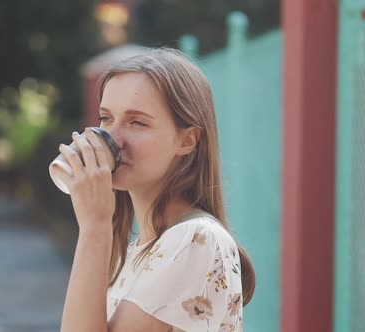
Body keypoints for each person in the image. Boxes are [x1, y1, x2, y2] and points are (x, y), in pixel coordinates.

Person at [52, 48, 255, 332]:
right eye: (106, 118)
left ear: (187, 141)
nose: (113, 139)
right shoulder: (139, 249)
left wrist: (95, 227)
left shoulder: (196, 240)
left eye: (137, 122)